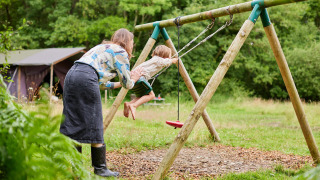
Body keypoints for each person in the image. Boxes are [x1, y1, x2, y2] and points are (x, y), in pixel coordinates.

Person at [60, 28, 143, 177]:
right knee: (94, 119)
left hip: (71, 76)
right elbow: (127, 83)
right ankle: (100, 168)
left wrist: (119, 83)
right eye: (132, 42)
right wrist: (134, 78)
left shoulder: (102, 48)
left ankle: (76, 168)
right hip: (86, 78)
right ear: (127, 41)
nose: (132, 45)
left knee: (73, 120)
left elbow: (100, 83)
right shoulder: (120, 52)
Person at [124, 45, 178, 120]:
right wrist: (172, 61)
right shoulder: (157, 59)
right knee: (152, 96)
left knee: (143, 95)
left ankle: (129, 103)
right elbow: (163, 62)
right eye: (169, 55)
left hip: (135, 77)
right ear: (164, 55)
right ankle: (134, 105)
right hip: (139, 77)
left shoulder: (154, 60)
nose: (170, 57)